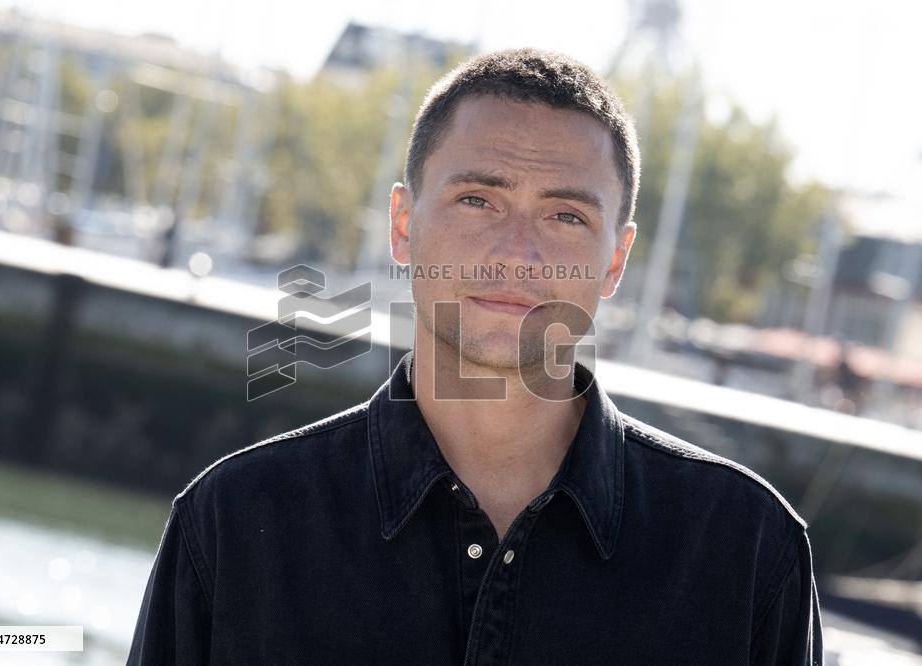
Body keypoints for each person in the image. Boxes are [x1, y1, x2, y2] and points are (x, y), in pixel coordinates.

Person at [129, 48, 822, 664]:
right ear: (404, 226)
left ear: (615, 260)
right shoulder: (234, 527)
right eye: (478, 200)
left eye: (566, 216)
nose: (515, 254)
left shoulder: (746, 552)